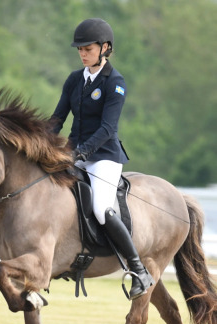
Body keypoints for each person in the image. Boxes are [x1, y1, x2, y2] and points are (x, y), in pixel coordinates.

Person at [50, 18, 152, 299]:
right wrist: (41, 143)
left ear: (105, 48)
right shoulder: (74, 80)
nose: (82, 53)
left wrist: (82, 152)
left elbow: (108, 128)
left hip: (104, 157)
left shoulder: (115, 83)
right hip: (74, 153)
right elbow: (57, 118)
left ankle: (138, 270)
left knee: (100, 207)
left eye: (88, 49)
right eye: (80, 49)